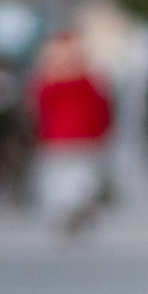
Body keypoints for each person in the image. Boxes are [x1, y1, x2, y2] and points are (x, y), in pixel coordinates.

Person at [28, 32, 113, 235]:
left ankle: (66, 210)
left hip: (56, 137)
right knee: (82, 177)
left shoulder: (47, 76)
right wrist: (104, 131)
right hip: (85, 136)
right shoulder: (90, 75)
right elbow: (103, 106)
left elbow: (37, 109)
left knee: (59, 179)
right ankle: (79, 205)